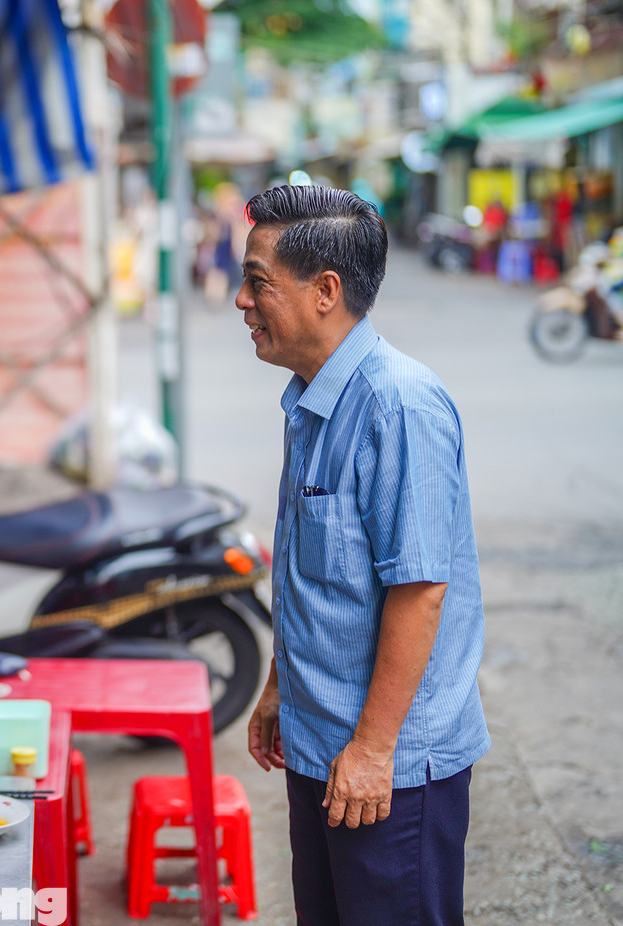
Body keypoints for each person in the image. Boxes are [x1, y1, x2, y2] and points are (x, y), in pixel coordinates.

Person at [239, 185, 490, 925]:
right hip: (322, 746)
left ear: (325, 291)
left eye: (258, 282)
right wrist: (283, 683)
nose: (241, 302)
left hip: (389, 767)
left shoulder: (399, 405)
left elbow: (419, 593)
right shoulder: (309, 399)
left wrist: (375, 751)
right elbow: (315, 574)